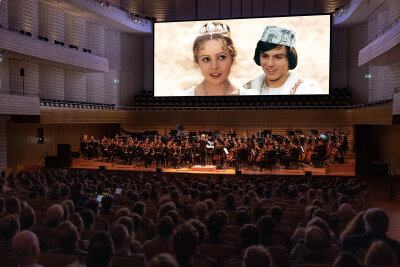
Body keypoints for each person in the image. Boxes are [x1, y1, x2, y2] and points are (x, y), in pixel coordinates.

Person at [173, 22, 257, 96]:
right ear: (197, 62)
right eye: (206, 59)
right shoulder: (181, 98)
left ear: (232, 58)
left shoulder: (250, 96)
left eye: (221, 57)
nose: (214, 66)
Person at [243, 25, 322, 95]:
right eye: (265, 56)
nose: (270, 64)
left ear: (290, 58)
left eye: (278, 57)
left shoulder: (307, 91)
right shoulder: (246, 90)